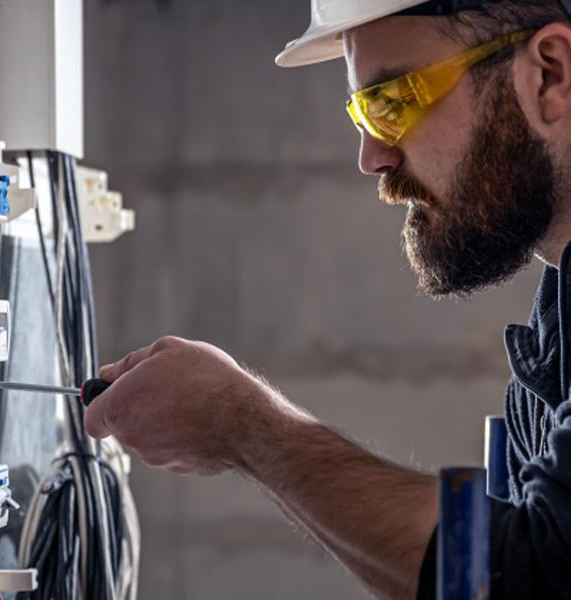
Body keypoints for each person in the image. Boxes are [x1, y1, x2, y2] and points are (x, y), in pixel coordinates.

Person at [84, 1, 571, 597]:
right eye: (361, 115)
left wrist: (249, 426)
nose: (372, 157)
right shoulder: (553, 331)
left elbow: (535, 576)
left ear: (551, 74)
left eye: (393, 101)